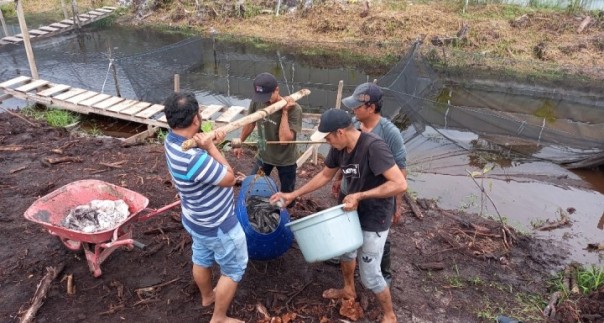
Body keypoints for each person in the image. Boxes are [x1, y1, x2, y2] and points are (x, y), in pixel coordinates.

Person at [270, 108, 407, 323]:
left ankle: (390, 315)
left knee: (370, 274)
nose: (327, 142)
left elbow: (400, 183)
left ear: (340, 132)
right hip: (350, 211)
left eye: (328, 137)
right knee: (346, 252)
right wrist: (292, 194)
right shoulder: (339, 148)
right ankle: (348, 289)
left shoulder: (374, 147)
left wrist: (360, 195)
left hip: (374, 215)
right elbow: (325, 174)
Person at [163, 92, 248, 323]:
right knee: (234, 269)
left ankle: (208, 296)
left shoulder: (171, 141)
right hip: (218, 224)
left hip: (195, 219)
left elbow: (201, 165)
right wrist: (212, 148)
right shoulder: (194, 158)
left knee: (201, 257)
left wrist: (210, 143)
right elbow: (230, 178)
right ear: (196, 119)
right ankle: (219, 317)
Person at [336, 82, 408, 286]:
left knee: (379, 237)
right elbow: (344, 155)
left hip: (376, 198)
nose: (353, 110)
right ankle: (346, 261)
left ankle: (383, 274)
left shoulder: (389, 133)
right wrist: (339, 178)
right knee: (347, 228)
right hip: (350, 191)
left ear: (371, 107)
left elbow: (401, 170)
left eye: (357, 106)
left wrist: (397, 204)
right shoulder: (352, 124)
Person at [233, 72, 302, 195]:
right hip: (264, 156)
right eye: (261, 97)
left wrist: (285, 112)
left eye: (267, 96)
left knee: (287, 194)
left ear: (277, 90)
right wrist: (240, 142)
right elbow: (250, 122)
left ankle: (285, 211)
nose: (264, 101)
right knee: (254, 187)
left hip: (286, 159)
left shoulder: (294, 109)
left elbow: (284, 140)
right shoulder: (257, 101)